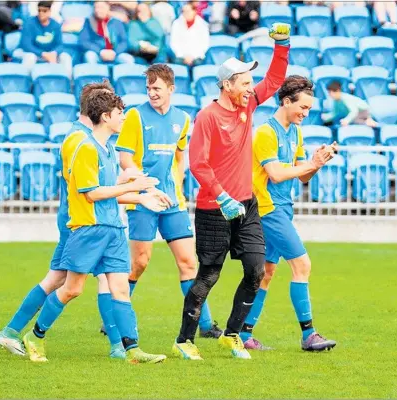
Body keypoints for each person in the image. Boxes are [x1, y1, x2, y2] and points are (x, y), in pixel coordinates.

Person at [0, 81, 170, 360]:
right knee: (64, 283)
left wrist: (141, 193)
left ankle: (126, 348)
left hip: (106, 223)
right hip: (82, 223)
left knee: (110, 283)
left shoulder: (102, 143)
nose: (122, 115)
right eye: (116, 109)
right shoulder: (80, 140)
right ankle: (20, 332)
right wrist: (132, 189)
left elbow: (109, 182)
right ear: (100, 111)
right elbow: (90, 191)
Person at [171, 23, 291, 361]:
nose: (251, 88)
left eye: (250, 83)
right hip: (214, 208)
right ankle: (184, 340)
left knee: (256, 270)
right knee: (209, 274)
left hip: (247, 205)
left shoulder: (248, 105)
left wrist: (281, 46)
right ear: (227, 85)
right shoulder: (207, 117)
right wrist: (221, 195)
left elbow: (274, 81)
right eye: (244, 82)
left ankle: (232, 335)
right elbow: (198, 164)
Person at [115, 64, 222, 339]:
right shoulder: (135, 117)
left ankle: (206, 324)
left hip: (172, 203)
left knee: (188, 262)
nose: (152, 93)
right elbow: (125, 158)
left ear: (171, 89)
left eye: (157, 88)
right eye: (148, 88)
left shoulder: (183, 119)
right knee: (140, 262)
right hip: (142, 201)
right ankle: (117, 312)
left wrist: (178, 181)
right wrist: (142, 184)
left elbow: (179, 154)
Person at [239, 75, 338, 352]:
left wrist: (317, 163)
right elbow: (277, 174)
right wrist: (310, 164)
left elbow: (303, 176)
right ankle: (309, 334)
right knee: (302, 265)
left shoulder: (295, 131)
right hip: (267, 208)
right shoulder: (266, 133)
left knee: (267, 272)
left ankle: (243, 333)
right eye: (303, 108)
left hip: (283, 208)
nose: (306, 114)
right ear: (286, 101)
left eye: (308, 109)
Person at [13, 1, 72, 76]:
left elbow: (60, 45)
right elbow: (26, 45)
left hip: (49, 53)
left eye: (44, 11)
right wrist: (43, 54)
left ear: (50, 12)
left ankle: (67, 82)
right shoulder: (29, 23)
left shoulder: (56, 25)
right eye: (39, 10)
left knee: (66, 57)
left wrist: (54, 53)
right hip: (29, 52)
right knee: (30, 57)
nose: (41, 13)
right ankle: (27, 83)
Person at [79, 0, 134, 65]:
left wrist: (115, 52)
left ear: (108, 8)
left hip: (115, 54)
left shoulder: (116, 22)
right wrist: (100, 51)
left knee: (128, 59)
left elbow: (124, 41)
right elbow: (83, 41)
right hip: (98, 54)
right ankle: (95, 75)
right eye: (96, 7)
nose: (97, 10)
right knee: (90, 56)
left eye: (101, 7)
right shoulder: (89, 22)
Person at [170, 1, 209, 67]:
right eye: (183, 11)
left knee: (198, 63)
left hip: (197, 56)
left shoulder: (203, 24)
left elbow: (205, 44)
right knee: (176, 62)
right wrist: (184, 56)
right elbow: (174, 43)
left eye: (188, 11)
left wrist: (193, 56)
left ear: (194, 11)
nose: (185, 13)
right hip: (181, 56)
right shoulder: (176, 24)